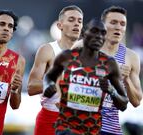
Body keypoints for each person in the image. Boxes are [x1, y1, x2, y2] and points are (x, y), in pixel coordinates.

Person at [43, 19, 128, 135]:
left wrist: (111, 91)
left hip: (92, 130)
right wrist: (48, 86)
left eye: (103, 33)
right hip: (65, 127)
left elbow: (123, 104)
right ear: (84, 33)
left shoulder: (110, 64)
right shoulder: (66, 57)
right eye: (94, 31)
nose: (99, 36)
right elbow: (49, 77)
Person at [72, 6, 143, 134]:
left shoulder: (131, 57)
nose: (118, 27)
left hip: (110, 128)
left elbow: (137, 101)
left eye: (122, 24)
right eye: (113, 22)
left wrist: (126, 80)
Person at [27, 5, 83, 135]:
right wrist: (56, 81)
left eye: (79, 21)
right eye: (71, 20)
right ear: (60, 25)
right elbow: (31, 87)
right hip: (51, 118)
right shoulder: (48, 50)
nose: (76, 24)